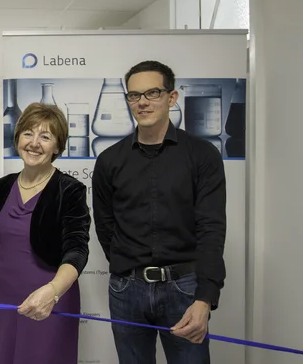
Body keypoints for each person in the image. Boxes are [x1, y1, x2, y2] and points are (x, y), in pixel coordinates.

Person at [92, 61, 227, 364]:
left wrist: (204, 298)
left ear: (172, 97)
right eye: (134, 95)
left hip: (184, 289)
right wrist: (126, 265)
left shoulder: (202, 155)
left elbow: (211, 228)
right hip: (127, 290)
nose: (142, 102)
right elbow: (105, 225)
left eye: (152, 93)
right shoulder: (110, 161)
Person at [0, 102, 92, 364]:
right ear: (18, 137)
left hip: (49, 303)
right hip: (3, 302)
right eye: (28, 133)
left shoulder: (69, 190)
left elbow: (77, 250)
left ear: (57, 146)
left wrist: (52, 292)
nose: (34, 143)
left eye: (45, 136)